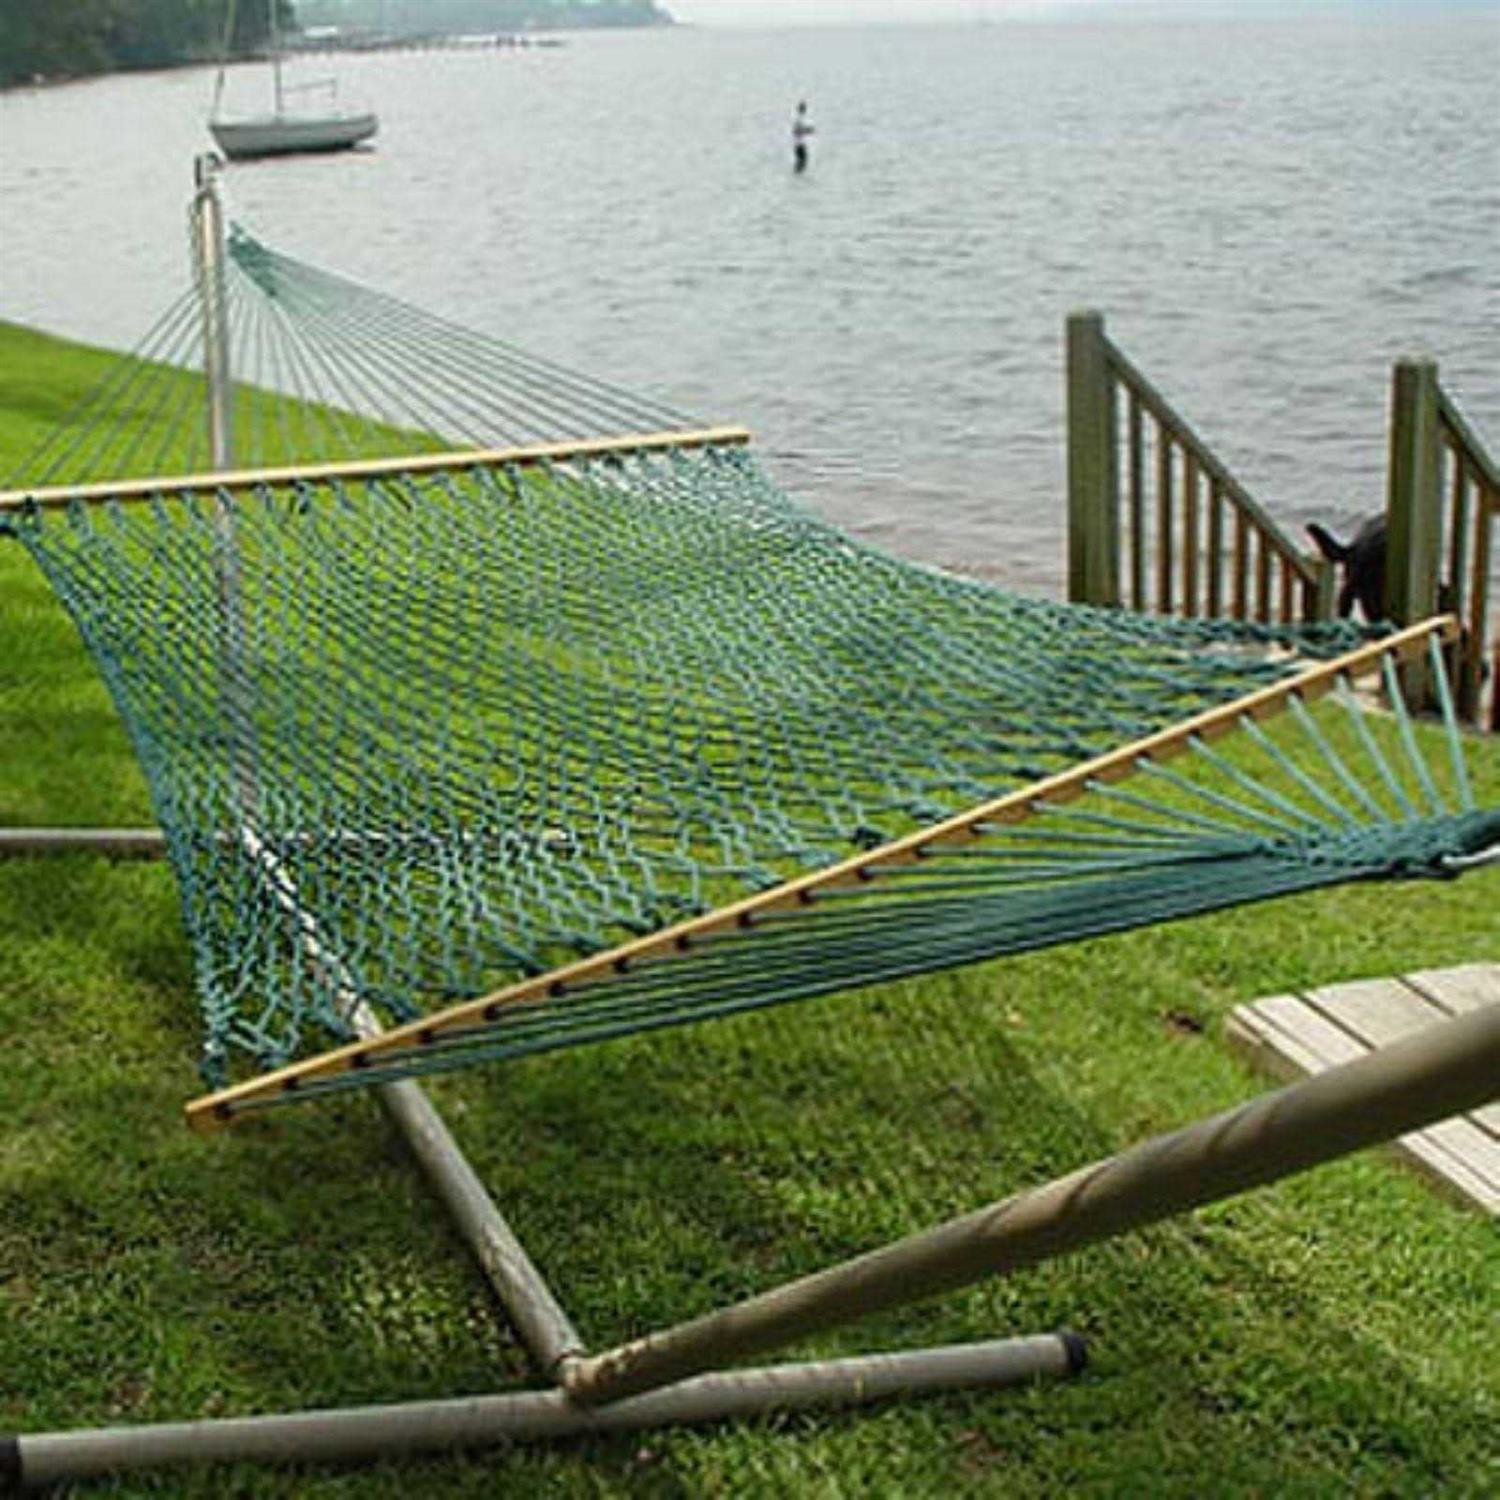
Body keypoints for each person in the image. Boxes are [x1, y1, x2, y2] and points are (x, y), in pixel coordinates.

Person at [792, 100, 814, 174]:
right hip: (799, 144)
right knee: (802, 161)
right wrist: (808, 130)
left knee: (801, 161)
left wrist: (807, 130)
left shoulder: (800, 118)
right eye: (804, 108)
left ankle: (797, 174)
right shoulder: (799, 119)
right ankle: (797, 175)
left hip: (800, 144)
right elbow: (796, 131)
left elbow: (797, 130)